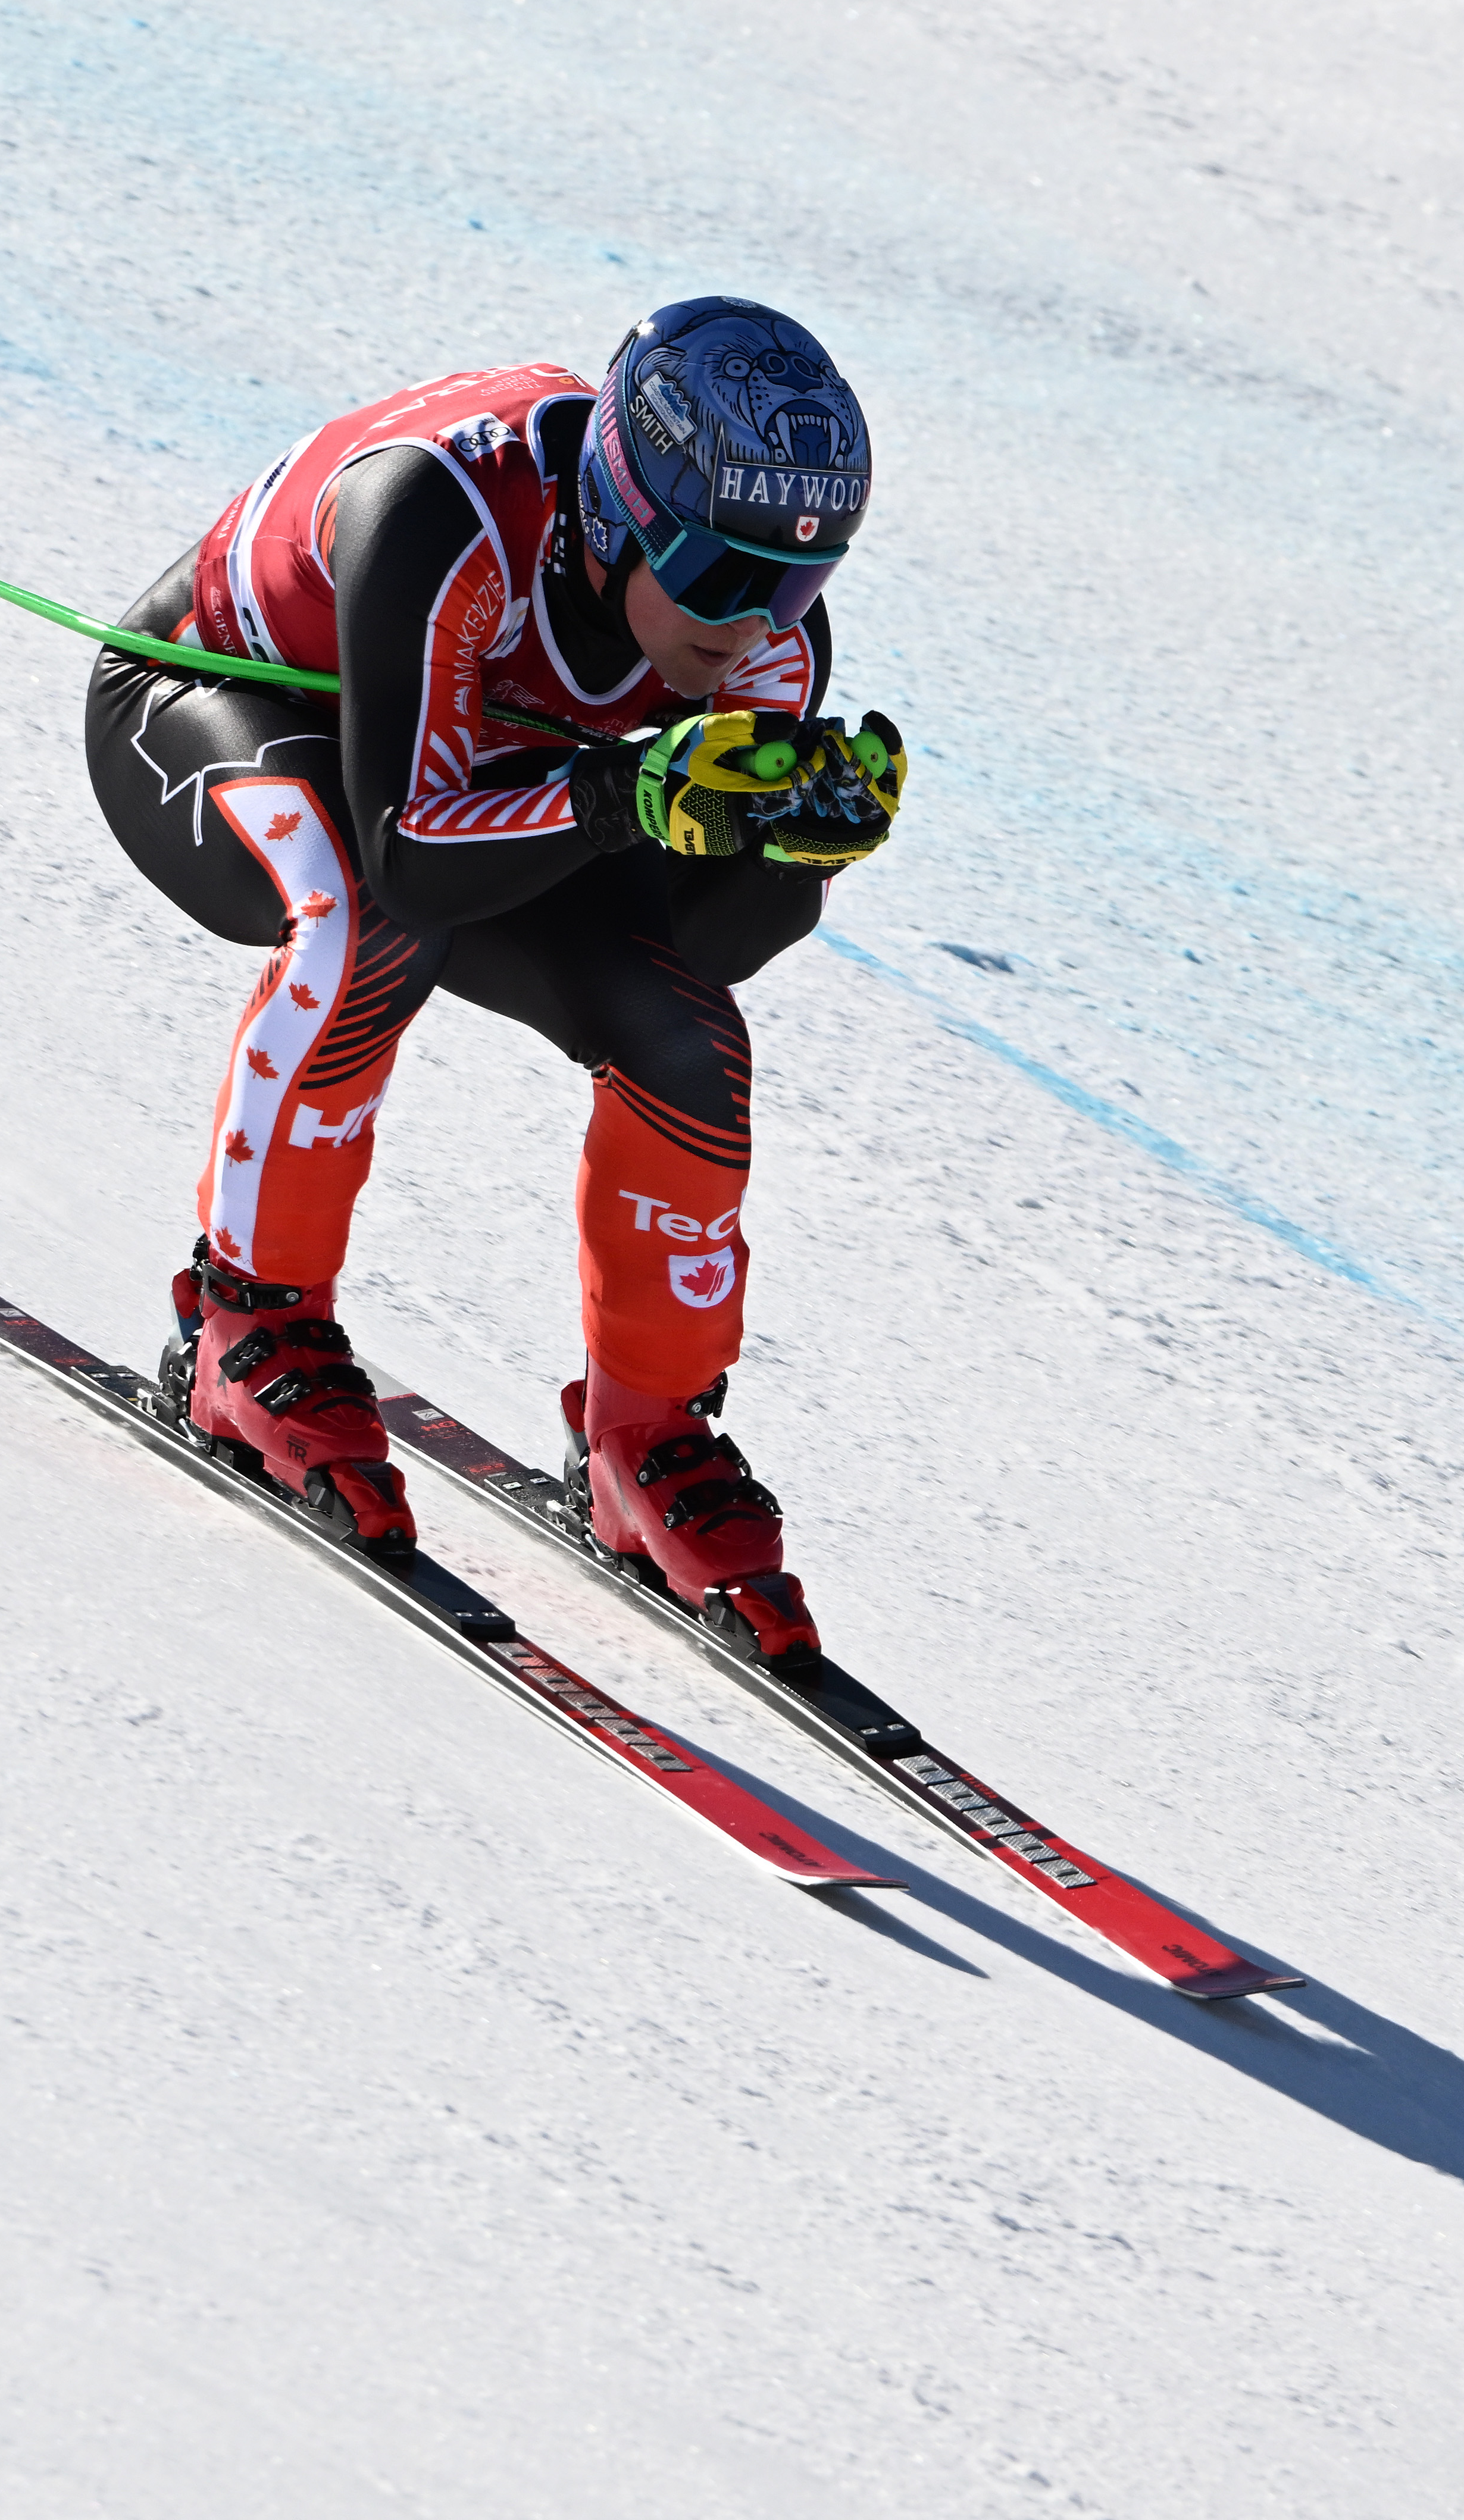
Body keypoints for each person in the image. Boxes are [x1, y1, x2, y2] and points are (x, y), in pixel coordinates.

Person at [82, 298, 904, 1663]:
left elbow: (685, 948)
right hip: (220, 705)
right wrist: (630, 788)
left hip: (473, 784)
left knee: (689, 1042)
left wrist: (789, 856)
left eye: (795, 583)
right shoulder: (443, 511)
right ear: (618, 517)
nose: (752, 624)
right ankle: (245, 1323)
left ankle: (647, 1433)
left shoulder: (758, 639)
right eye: (716, 575)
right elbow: (412, 857)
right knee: (360, 924)